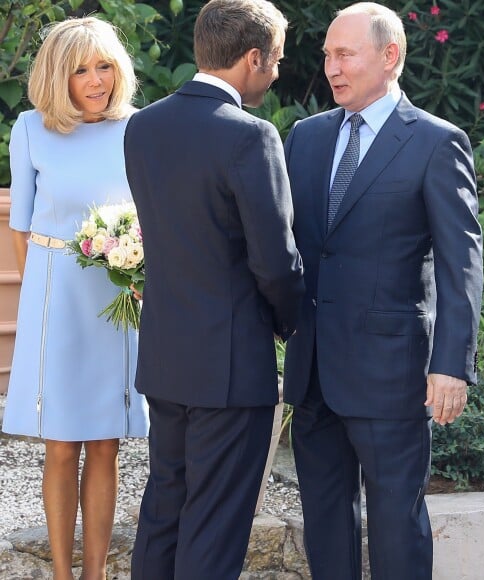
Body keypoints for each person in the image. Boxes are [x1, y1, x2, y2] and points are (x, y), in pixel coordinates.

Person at [283, 3, 484, 579]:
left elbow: (460, 262)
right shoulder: (306, 137)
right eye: (327, 54)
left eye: (344, 54)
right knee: (325, 521)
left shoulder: (436, 143)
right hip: (314, 369)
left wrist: (451, 364)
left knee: (397, 522)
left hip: (393, 375)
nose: (331, 67)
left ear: (390, 56)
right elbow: (286, 245)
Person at [123, 0, 304, 578]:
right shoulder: (250, 137)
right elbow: (275, 262)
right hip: (229, 365)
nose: (276, 71)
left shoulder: (143, 127)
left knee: (164, 509)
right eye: (274, 59)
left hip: (164, 356)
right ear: (251, 57)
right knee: (215, 523)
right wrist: (287, 323)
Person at [2, 16, 149, 580]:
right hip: (54, 295)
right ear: (58, 75)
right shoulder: (31, 129)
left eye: (105, 65)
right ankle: (62, 574)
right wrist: (39, 291)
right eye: (82, 69)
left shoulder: (139, 127)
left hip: (116, 296)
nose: (96, 80)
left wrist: (139, 274)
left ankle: (96, 574)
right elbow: (21, 224)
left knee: (107, 442)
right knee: (61, 443)